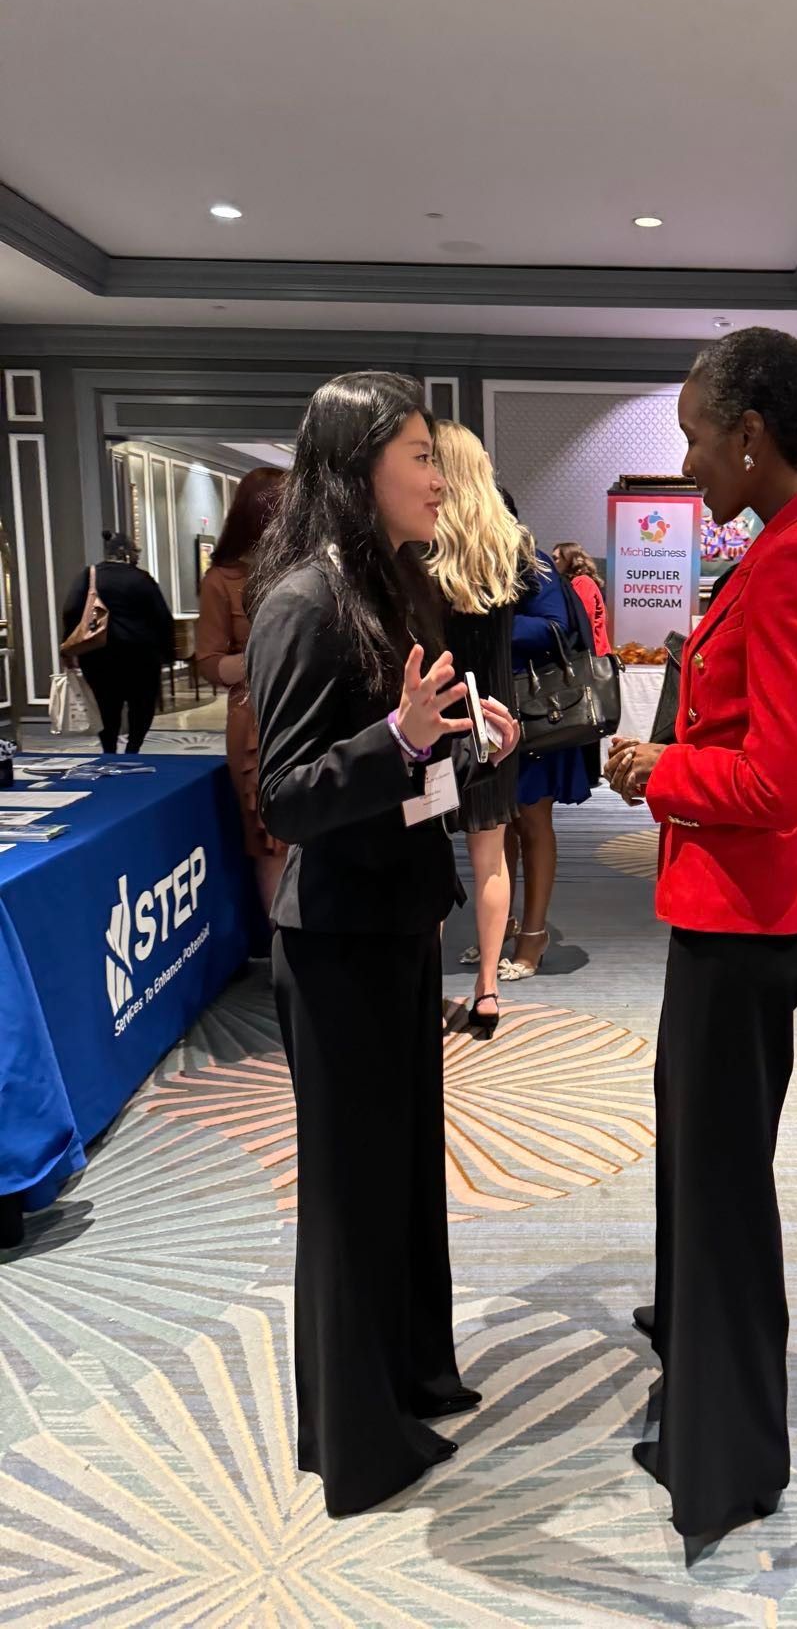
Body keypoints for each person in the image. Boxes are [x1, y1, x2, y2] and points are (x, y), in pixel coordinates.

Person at [604, 327, 797, 1559]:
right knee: (705, 1170)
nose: (690, 459)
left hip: (751, 909)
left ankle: (733, 1458)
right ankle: (705, 1410)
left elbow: (774, 780)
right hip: (729, 902)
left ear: (750, 435)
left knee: (723, 1189)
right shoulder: (784, 542)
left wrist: (659, 769)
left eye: (697, 436)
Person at [246, 371, 520, 1517]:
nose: (440, 478)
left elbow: (407, 768)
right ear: (358, 468)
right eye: (418, 455)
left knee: (402, 1172)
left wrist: (464, 742)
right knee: (352, 1191)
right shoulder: (303, 600)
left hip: (401, 919)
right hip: (337, 943)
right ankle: (354, 1440)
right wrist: (399, 740)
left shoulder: (391, 586)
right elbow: (288, 796)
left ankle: (409, 1376)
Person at [431, 419, 533, 1037]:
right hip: (495, 722)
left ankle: (425, 983)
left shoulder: (421, 543)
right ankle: (488, 989)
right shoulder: (508, 540)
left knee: (428, 856)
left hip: (435, 719)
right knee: (491, 858)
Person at [499, 517, 592, 982]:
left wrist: (487, 621)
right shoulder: (465, 559)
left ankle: (533, 935)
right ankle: (500, 924)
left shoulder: (528, 560)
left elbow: (555, 627)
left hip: (534, 712)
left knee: (532, 820)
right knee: (496, 824)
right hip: (488, 708)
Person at [195, 466, 288, 916]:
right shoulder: (221, 581)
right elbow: (209, 661)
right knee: (272, 839)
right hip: (255, 723)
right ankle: (285, 947)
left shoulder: (306, 569)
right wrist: (265, 654)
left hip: (308, 710)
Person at [61, 530, 174, 754]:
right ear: (127, 553)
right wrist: (167, 654)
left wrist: (68, 648)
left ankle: (109, 750)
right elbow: (163, 618)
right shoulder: (142, 579)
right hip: (140, 656)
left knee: (105, 706)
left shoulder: (89, 576)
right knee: (141, 705)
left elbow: (71, 609)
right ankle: (133, 748)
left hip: (98, 655)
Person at [552, 543, 610, 655]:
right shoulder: (577, 582)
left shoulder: (581, 582)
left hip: (592, 654)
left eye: (556, 558)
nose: (553, 563)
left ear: (568, 559)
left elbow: (584, 622)